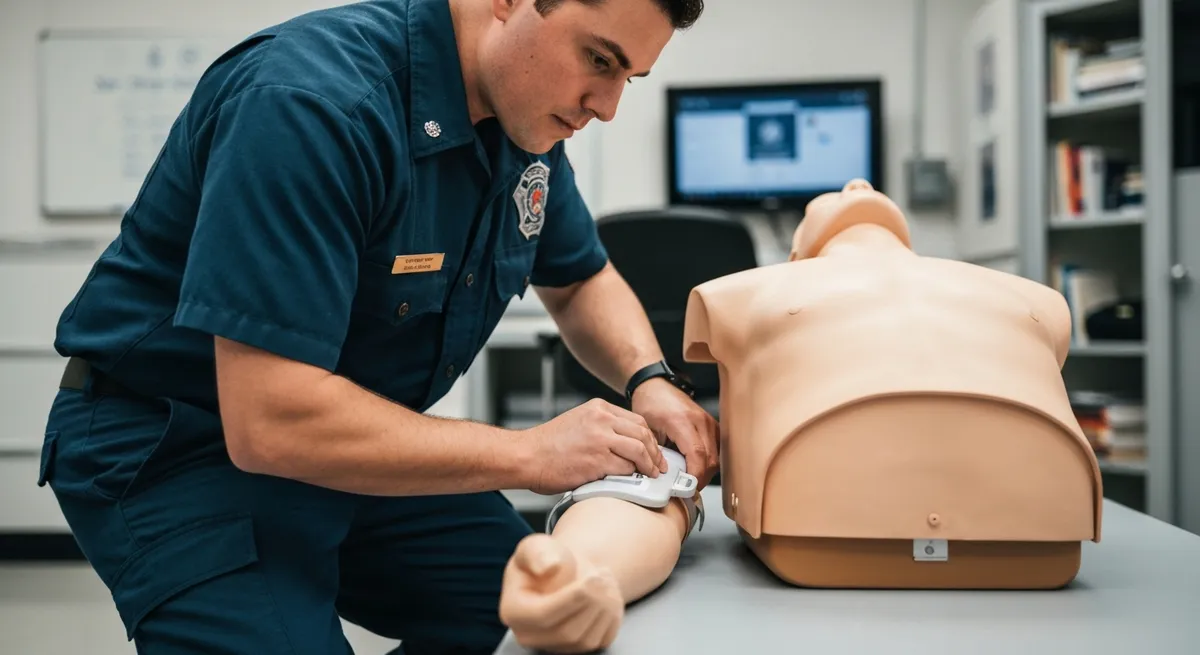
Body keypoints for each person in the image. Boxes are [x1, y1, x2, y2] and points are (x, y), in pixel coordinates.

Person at [36, 0, 716, 653]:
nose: (608, 106)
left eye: (628, 77)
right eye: (599, 59)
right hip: (176, 444)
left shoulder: (522, 120)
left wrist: (650, 378)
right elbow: (271, 420)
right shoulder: (309, 104)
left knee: (548, 612)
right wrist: (532, 455)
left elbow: (579, 278)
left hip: (350, 440)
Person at [495, 178, 1103, 651]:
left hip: (815, 544)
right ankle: (585, 576)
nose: (857, 187)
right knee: (665, 461)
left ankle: (588, 571)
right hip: (1033, 549)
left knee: (662, 468)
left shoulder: (741, 293)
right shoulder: (1037, 301)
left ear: (797, 254)